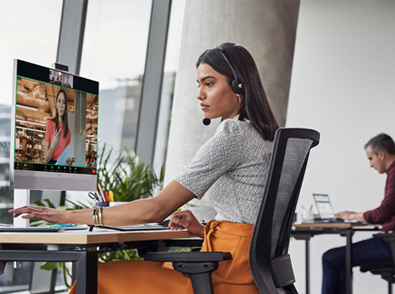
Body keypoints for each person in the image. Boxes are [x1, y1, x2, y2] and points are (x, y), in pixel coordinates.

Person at [10, 42, 279, 294]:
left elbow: (156, 209)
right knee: (155, 267)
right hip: (247, 271)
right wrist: (203, 231)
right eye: (199, 84)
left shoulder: (233, 135)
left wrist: (66, 217)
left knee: (96, 278)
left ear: (239, 86)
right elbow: (252, 216)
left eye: (209, 83)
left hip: (226, 277)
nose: (200, 94)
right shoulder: (263, 135)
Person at [322, 133, 395, 294]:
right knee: (338, 259)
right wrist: (357, 214)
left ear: (381, 155)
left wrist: (352, 216)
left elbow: (383, 213)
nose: (370, 164)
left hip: (390, 244)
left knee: (330, 258)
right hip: (389, 241)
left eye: (370, 158)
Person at [43, 89, 71, 164]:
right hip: (51, 167)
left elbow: (66, 156)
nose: (61, 105)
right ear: (56, 104)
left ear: (65, 106)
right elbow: (46, 159)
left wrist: (68, 161)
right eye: (59, 101)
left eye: (64, 102)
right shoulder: (50, 123)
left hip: (62, 168)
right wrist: (52, 146)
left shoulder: (68, 132)